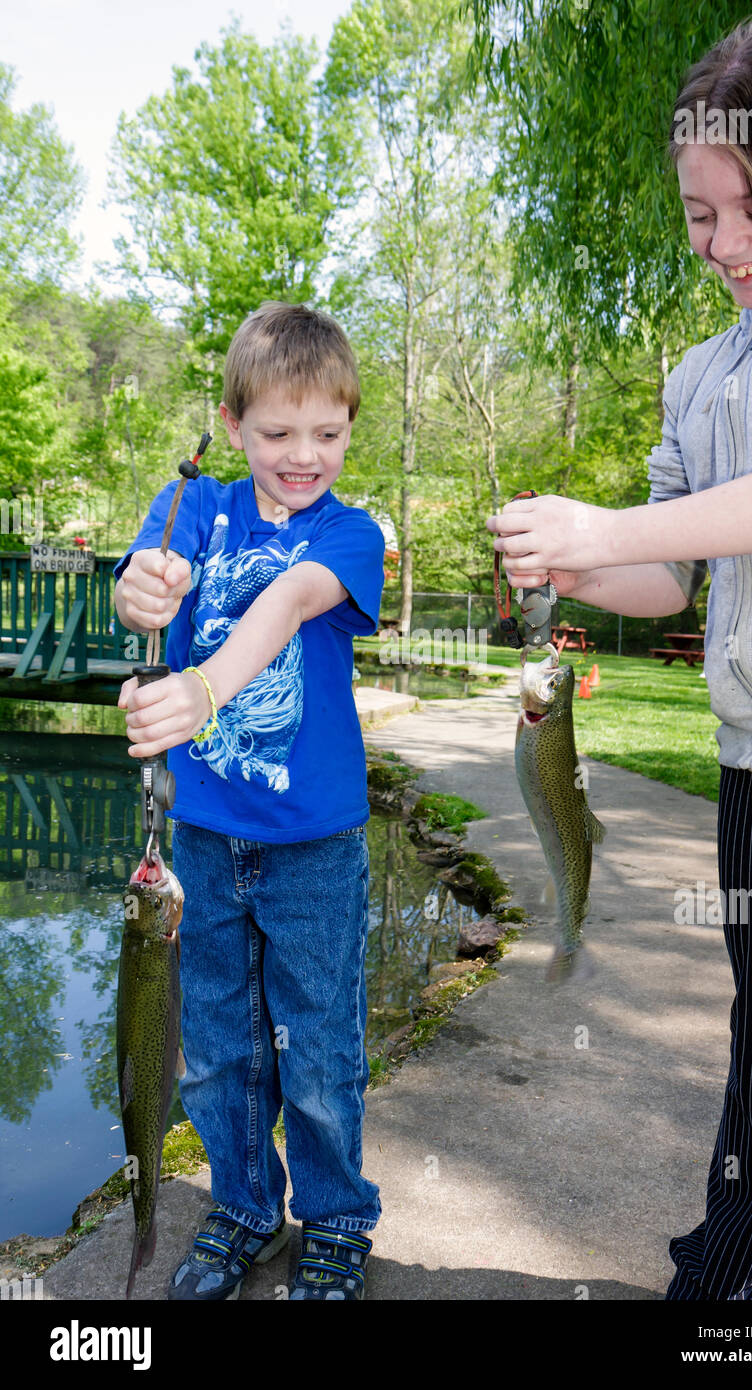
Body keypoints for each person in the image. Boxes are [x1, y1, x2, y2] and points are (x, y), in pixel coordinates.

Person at [488, 3, 752, 1300]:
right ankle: (743, 1217)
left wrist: (615, 521)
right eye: (700, 214)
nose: (722, 243)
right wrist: (580, 564)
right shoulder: (699, 372)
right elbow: (668, 572)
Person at [113, 301, 385, 1301]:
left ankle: (336, 1219)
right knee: (218, 1046)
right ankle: (237, 1208)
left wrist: (207, 687)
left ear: (350, 426)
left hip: (314, 844)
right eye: (277, 432)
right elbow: (137, 594)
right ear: (233, 425)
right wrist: (138, 594)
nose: (303, 454)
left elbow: (286, 603)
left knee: (317, 1044)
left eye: (328, 432)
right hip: (200, 838)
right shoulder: (195, 509)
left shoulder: (351, 534)